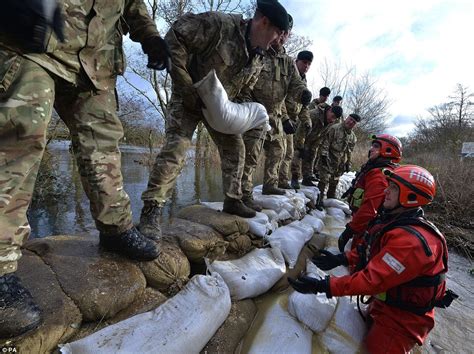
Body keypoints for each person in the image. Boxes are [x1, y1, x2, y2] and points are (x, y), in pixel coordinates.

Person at [0, 0, 170, 338]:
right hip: (36, 39)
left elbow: (134, 4)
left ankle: (116, 229)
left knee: (104, 143)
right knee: (18, 137)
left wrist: (150, 35)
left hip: (97, 61)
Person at [139, 1, 290, 234]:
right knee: (176, 150)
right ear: (264, 22)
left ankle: (232, 199)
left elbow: (243, 89)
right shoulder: (220, 25)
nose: (277, 40)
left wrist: (244, 113)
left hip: (218, 107)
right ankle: (151, 210)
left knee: (235, 148)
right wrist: (186, 85)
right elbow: (176, 36)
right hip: (188, 97)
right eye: (277, 33)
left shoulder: (258, 56)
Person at [289, 165, 457, 354]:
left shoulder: (411, 243)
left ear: (410, 196)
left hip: (402, 322)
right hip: (386, 306)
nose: (385, 191)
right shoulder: (395, 222)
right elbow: (375, 254)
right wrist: (343, 258)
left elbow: (372, 279)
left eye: (393, 187)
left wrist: (324, 286)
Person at [240, 16, 312, 211]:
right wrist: (248, 107)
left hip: (277, 115)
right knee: (250, 155)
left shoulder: (288, 62)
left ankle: (270, 184)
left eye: (286, 34)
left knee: (278, 151)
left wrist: (303, 93)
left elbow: (296, 84)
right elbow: (244, 83)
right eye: (280, 32)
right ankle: (244, 194)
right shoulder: (257, 51)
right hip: (255, 112)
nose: (282, 37)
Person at [338, 134, 402, 253]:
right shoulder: (375, 168)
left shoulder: (379, 174)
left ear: (387, 150)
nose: (371, 149)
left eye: (376, 146)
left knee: (357, 258)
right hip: (363, 224)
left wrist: (350, 229)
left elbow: (370, 209)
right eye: (372, 145)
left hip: (365, 227)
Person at [278, 50, 313, 190]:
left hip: (291, 122)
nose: (306, 66)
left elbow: (303, 106)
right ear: (297, 61)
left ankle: (282, 181)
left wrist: (306, 120)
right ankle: (276, 182)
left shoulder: (303, 81)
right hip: (279, 117)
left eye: (309, 64)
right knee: (279, 151)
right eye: (304, 62)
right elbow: (278, 98)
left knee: (289, 153)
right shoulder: (288, 74)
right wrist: (285, 119)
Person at [315, 113, 359, 205]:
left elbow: (349, 151)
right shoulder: (334, 128)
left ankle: (331, 198)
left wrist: (348, 163)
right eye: (350, 119)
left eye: (354, 122)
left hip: (339, 163)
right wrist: (323, 156)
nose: (351, 122)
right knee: (323, 180)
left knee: (334, 181)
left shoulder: (353, 137)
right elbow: (325, 143)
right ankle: (318, 200)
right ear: (346, 118)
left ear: (355, 125)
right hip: (328, 158)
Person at [297, 105, 343, 188]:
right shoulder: (314, 115)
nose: (332, 120)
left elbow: (321, 136)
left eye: (334, 118)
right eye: (332, 116)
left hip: (312, 139)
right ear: (329, 110)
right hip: (298, 136)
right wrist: (301, 146)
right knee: (297, 155)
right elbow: (301, 131)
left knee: (312, 154)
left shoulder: (330, 122)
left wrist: (314, 147)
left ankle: (307, 177)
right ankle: (294, 178)